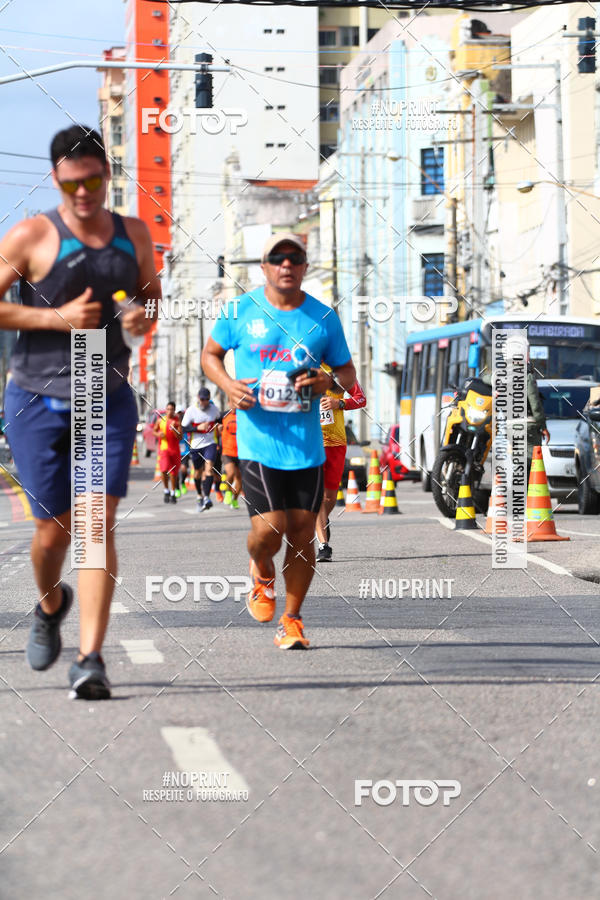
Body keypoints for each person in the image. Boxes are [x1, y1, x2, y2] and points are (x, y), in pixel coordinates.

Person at [0, 124, 160, 698]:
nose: (84, 193)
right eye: (72, 184)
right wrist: (54, 317)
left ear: (107, 175)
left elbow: (149, 296)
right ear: (56, 181)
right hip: (37, 393)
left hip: (102, 390)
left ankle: (91, 658)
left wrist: (143, 318)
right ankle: (49, 604)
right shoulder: (32, 236)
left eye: (93, 179)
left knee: (95, 524)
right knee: (51, 531)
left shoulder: (133, 234)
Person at [202, 233, 357, 649]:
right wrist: (229, 386)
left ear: (305, 265)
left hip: (306, 446)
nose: (286, 264)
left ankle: (291, 619)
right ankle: (260, 568)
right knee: (269, 531)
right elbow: (209, 356)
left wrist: (327, 381)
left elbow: (348, 376)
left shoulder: (323, 317)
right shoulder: (238, 310)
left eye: (296, 257)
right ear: (264, 266)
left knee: (303, 532)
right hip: (258, 441)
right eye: (278, 258)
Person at [316, 368, 366, 561]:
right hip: (313, 443)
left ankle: (322, 520)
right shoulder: (303, 371)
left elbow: (361, 399)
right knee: (318, 496)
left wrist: (340, 403)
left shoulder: (339, 371)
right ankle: (323, 545)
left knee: (330, 496)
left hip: (337, 444)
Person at [182, 387, 221, 511]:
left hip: (210, 443)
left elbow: (219, 420)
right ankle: (199, 494)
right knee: (198, 472)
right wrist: (197, 428)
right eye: (202, 399)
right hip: (196, 445)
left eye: (207, 400)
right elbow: (183, 428)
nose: (204, 402)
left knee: (209, 469)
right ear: (198, 398)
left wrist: (219, 425)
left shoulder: (214, 409)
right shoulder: (191, 411)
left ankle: (207, 497)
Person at [153, 402, 182, 503]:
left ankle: (173, 493)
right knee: (164, 470)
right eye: (168, 409)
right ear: (166, 409)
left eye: (172, 409)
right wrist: (158, 434)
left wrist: (174, 429)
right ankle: (166, 490)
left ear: (174, 410)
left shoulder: (177, 421)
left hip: (174, 450)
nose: (170, 411)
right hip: (164, 449)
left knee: (173, 473)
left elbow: (180, 437)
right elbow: (154, 431)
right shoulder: (161, 420)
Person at [220, 408, 242, 509]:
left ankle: (235, 499)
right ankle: (228, 492)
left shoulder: (243, 416)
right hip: (227, 452)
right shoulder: (223, 416)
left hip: (241, 452)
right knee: (230, 473)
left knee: (239, 479)